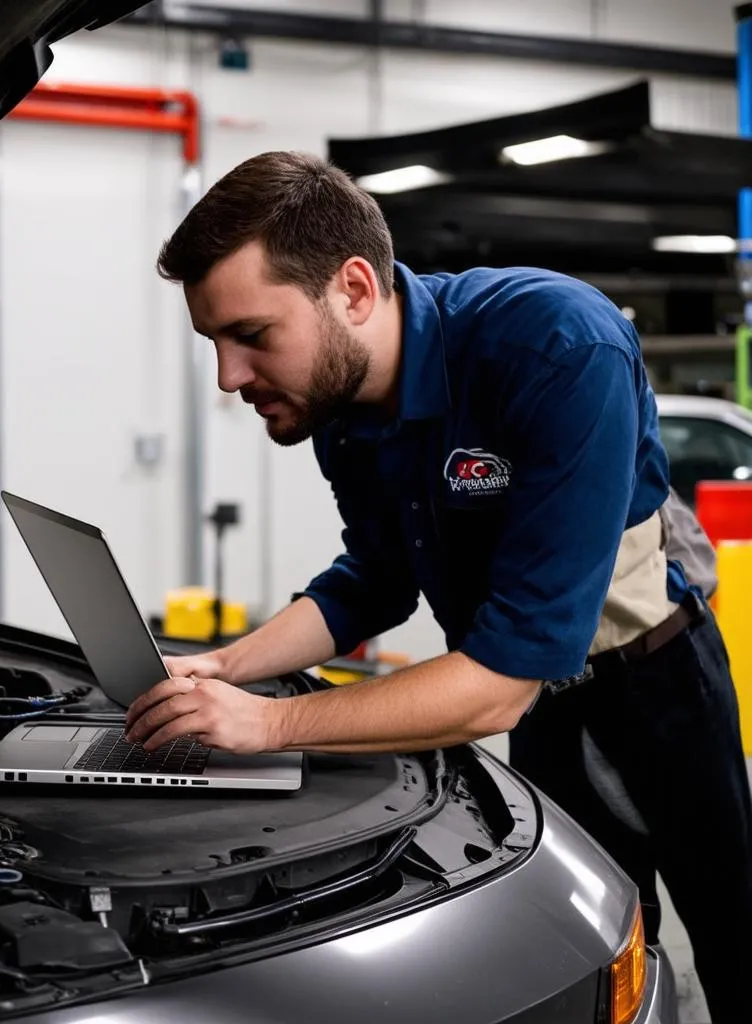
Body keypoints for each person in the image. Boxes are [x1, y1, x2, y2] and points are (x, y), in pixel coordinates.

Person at [123, 150, 752, 1021]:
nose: (229, 378)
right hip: (545, 708)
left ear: (351, 289)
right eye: (214, 343)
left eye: (252, 336)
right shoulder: (341, 412)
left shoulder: (555, 344)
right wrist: (226, 668)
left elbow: (497, 682)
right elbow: (371, 584)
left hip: (656, 685)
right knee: (594, 957)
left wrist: (267, 723)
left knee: (733, 938)